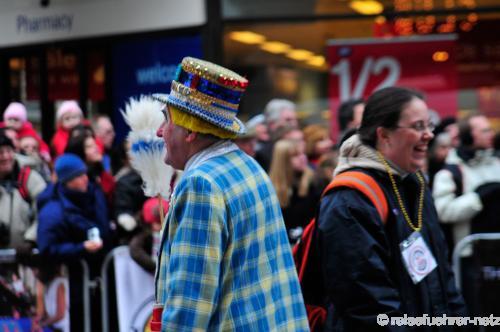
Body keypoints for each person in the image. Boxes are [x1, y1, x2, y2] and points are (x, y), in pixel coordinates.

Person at [152, 56, 308, 331]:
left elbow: (189, 307)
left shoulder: (201, 183)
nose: (159, 131)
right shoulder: (248, 166)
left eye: (166, 119)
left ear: (189, 131)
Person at [315, 86, 466, 330]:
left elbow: (443, 278)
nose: (428, 135)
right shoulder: (350, 199)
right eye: (418, 127)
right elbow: (367, 305)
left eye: (429, 125)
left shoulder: (414, 182)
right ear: (384, 135)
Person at [432, 114, 500, 315]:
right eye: (484, 130)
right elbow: (443, 211)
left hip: (497, 252)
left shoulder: (497, 163)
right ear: (468, 136)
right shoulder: (451, 172)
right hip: (472, 257)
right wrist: (478, 198)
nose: (491, 134)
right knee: (478, 313)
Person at [37, 153, 112, 332]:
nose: (85, 178)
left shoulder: (94, 193)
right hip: (74, 287)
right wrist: (81, 248)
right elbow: (47, 249)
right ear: (66, 181)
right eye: (78, 176)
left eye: (84, 173)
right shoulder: (52, 210)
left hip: (100, 283)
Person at [255, 98, 299, 171]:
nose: (294, 124)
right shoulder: (261, 153)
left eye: (295, 119)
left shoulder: (299, 144)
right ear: (272, 124)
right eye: (288, 120)